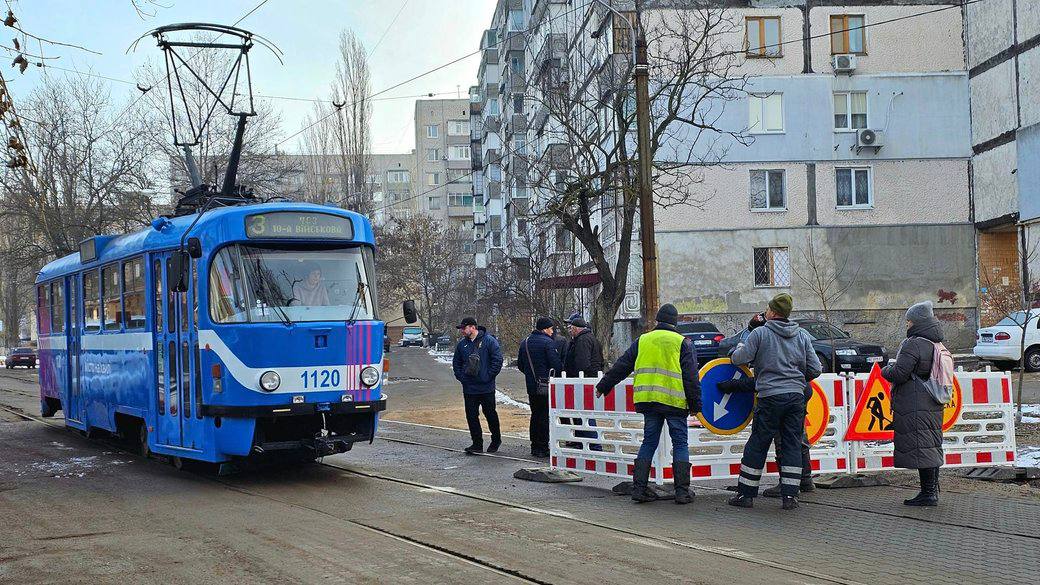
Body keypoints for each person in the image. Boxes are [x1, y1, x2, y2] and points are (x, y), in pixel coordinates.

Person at [595, 304, 701, 505]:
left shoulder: (642, 340)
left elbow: (622, 365)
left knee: (649, 442)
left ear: (658, 321)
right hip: (674, 402)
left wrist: (604, 385)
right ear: (675, 322)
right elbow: (691, 377)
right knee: (680, 443)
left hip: (648, 401)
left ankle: (639, 489)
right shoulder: (683, 343)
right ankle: (682, 492)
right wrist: (695, 404)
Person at [727, 294, 822, 511]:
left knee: (758, 443)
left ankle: (746, 494)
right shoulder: (802, 336)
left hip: (770, 397)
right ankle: (790, 497)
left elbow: (740, 358)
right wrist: (796, 378)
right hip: (796, 398)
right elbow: (816, 368)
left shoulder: (761, 333)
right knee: (791, 444)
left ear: (772, 312)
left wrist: (738, 348)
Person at [881, 301, 945, 507]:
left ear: (917, 322)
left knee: (922, 447)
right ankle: (931, 491)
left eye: (909, 321)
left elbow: (900, 373)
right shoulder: (936, 343)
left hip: (915, 403)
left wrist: (885, 370)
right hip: (932, 401)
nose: (907, 325)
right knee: (930, 445)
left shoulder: (914, 344)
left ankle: (928, 494)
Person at [452, 317, 504, 455]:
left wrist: (488, 376)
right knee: (471, 416)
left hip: (486, 387)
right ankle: (477, 443)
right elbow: (456, 363)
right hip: (469, 388)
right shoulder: (462, 345)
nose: (462, 331)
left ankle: (496, 440)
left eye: (464, 328)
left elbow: (497, 360)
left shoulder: (489, 341)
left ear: (472, 327)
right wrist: (462, 377)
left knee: (490, 414)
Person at [518, 317, 564, 458]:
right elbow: (556, 365)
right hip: (545, 385)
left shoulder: (524, 342)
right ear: (544, 329)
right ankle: (543, 447)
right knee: (544, 416)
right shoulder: (548, 343)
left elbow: (520, 365)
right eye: (551, 329)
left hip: (531, 386)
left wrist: (532, 376)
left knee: (535, 414)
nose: (552, 332)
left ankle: (534, 445)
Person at [563, 313, 605, 451]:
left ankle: (593, 443)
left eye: (571, 328)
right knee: (581, 412)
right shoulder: (587, 338)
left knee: (585, 412)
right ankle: (581, 441)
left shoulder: (582, 340)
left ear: (576, 329)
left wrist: (577, 377)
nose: (569, 330)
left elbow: (582, 362)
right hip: (585, 380)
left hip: (583, 381)